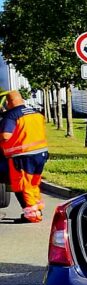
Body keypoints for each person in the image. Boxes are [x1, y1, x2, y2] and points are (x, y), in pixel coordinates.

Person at [0, 90, 49, 223]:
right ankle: (37, 209)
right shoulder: (35, 112)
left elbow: (6, 135)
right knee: (34, 183)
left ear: (8, 102)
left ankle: (32, 215)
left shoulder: (12, 115)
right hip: (40, 154)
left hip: (23, 156)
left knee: (24, 186)